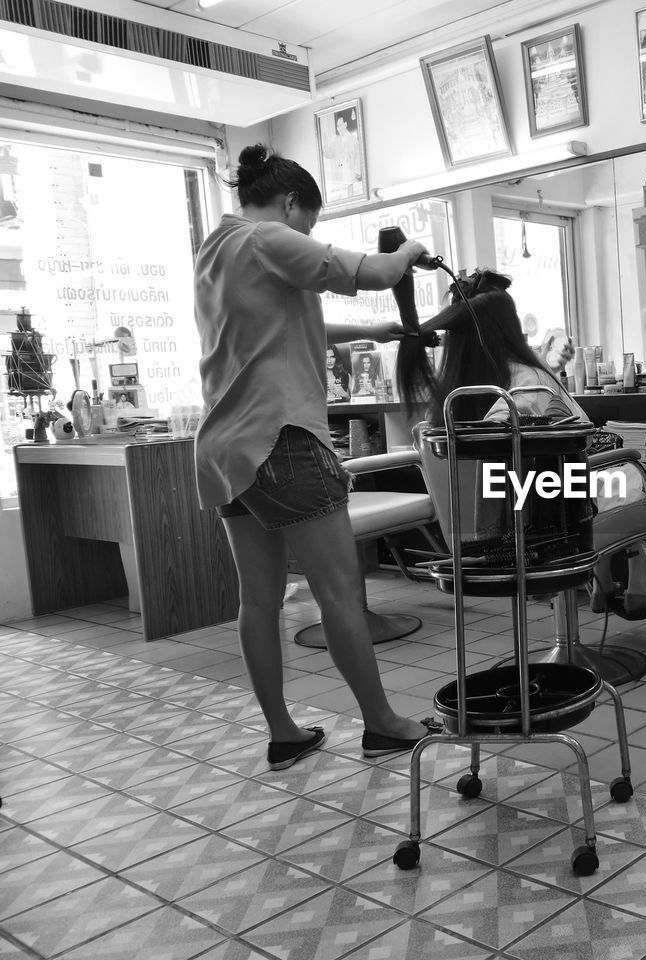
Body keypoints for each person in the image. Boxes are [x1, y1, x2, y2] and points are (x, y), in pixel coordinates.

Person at [193, 143, 438, 771]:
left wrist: (372, 333)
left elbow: (279, 327)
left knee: (259, 599)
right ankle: (381, 723)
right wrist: (411, 249)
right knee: (339, 591)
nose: (309, 235)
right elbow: (381, 272)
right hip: (281, 440)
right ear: (291, 203)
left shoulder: (214, 252)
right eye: (311, 221)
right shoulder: (267, 237)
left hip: (226, 448)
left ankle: (283, 733)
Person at [400, 269, 646, 619]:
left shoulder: (451, 396)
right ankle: (635, 583)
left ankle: (605, 584)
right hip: (543, 526)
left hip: (478, 531)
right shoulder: (530, 384)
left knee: (587, 477)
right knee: (633, 473)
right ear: (510, 327)